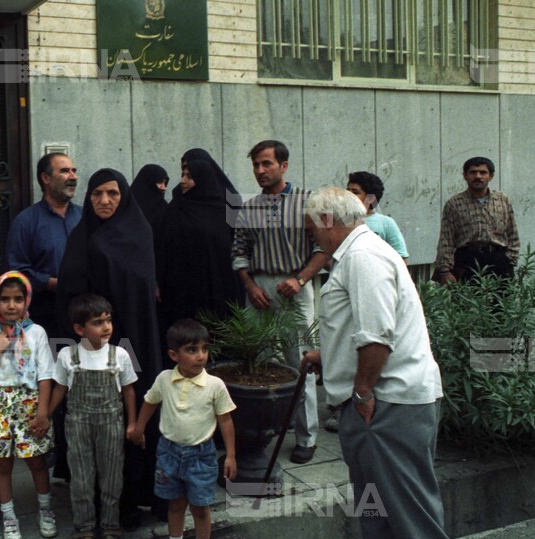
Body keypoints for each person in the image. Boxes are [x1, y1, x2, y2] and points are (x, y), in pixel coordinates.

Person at [302, 187, 472, 539]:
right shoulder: (358, 255)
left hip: (387, 402)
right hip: (380, 398)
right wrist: (328, 358)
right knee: (373, 496)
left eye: (312, 226)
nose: (310, 234)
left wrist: (362, 392)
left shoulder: (362, 257)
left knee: (410, 507)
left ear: (328, 220)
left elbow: (377, 336)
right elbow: (364, 329)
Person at [57, 168, 162, 529]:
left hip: (134, 340)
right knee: (94, 424)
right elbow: (69, 292)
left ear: (125, 197)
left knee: (130, 417)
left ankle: (133, 496)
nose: (104, 201)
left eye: (113, 194)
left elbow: (144, 291)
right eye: (97, 194)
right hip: (91, 345)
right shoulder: (81, 236)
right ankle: (96, 501)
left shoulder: (140, 233)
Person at [231, 140, 327, 464]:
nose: (260, 170)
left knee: (300, 360)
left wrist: (300, 279)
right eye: (256, 165)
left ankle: (306, 436)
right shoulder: (249, 206)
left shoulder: (308, 201)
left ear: (284, 166)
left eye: (266, 164)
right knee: (259, 362)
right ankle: (266, 430)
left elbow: (323, 249)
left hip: (295, 286)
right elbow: (239, 253)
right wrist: (250, 284)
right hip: (259, 288)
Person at [130, 319, 236, 539]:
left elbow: (225, 420)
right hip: (169, 453)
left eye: (204, 349)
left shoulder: (214, 385)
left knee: (200, 508)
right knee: (175, 505)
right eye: (192, 350)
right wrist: (139, 428)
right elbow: (149, 402)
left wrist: (232, 455)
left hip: (201, 456)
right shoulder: (164, 380)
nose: (200, 356)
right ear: (174, 355)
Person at [0, 272, 56, 539]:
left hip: (30, 405)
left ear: (27, 301)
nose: (11, 305)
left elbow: (46, 374)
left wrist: (43, 412)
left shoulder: (37, 333)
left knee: (36, 461)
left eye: (18, 299)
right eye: (5, 299)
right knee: (2, 464)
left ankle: (45, 509)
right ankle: (9, 518)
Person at [49, 293, 138, 539]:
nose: (106, 327)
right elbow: (59, 388)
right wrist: (45, 415)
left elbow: (129, 390)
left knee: (112, 477)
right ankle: (84, 527)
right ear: (79, 329)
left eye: (108, 320)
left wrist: (133, 424)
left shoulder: (120, 354)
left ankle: (110, 526)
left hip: (111, 423)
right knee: (81, 479)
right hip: (77, 424)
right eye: (98, 322)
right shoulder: (68, 355)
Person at [156, 159, 241, 338]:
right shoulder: (176, 207)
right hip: (181, 288)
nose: (183, 181)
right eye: (182, 175)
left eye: (190, 176)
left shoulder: (221, 208)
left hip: (215, 287)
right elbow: (163, 246)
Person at [6, 153, 81, 336]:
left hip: (83, 311)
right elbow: (17, 270)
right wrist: (50, 282)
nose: (73, 177)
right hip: (46, 313)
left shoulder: (84, 217)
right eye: (65, 171)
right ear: (45, 178)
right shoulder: (26, 221)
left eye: (74, 171)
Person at [435, 156, 519, 283]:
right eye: (473, 172)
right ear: (465, 175)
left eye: (483, 172)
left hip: (499, 261)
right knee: (467, 302)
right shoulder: (454, 204)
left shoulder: (502, 200)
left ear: (491, 176)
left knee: (501, 302)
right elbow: (446, 240)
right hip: (466, 262)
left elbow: (512, 233)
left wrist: (510, 261)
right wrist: (445, 271)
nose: (478, 176)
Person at [347, 171, 409, 262]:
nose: (348, 195)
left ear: (371, 199)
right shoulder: (338, 220)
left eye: (355, 192)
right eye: (347, 191)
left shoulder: (386, 223)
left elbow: (401, 258)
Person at [131, 163, 169, 229]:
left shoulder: (164, 209)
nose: (164, 187)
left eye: (165, 183)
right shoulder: (126, 206)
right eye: (160, 182)